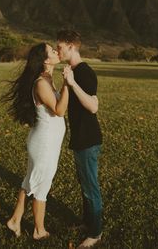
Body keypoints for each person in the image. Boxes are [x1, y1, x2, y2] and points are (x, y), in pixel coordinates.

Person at [2, 43, 69, 240]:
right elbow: (59, 110)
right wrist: (67, 83)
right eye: (53, 51)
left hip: (45, 141)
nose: (57, 52)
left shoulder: (47, 78)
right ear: (45, 59)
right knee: (41, 185)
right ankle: (39, 231)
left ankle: (15, 220)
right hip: (44, 144)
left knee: (30, 180)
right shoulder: (41, 83)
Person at [57, 30, 103, 249]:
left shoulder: (84, 72)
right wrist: (66, 82)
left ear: (71, 46)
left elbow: (93, 106)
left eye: (60, 47)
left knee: (90, 188)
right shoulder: (73, 71)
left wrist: (73, 83)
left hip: (88, 139)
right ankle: (87, 223)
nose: (58, 51)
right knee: (84, 185)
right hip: (79, 139)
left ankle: (95, 233)